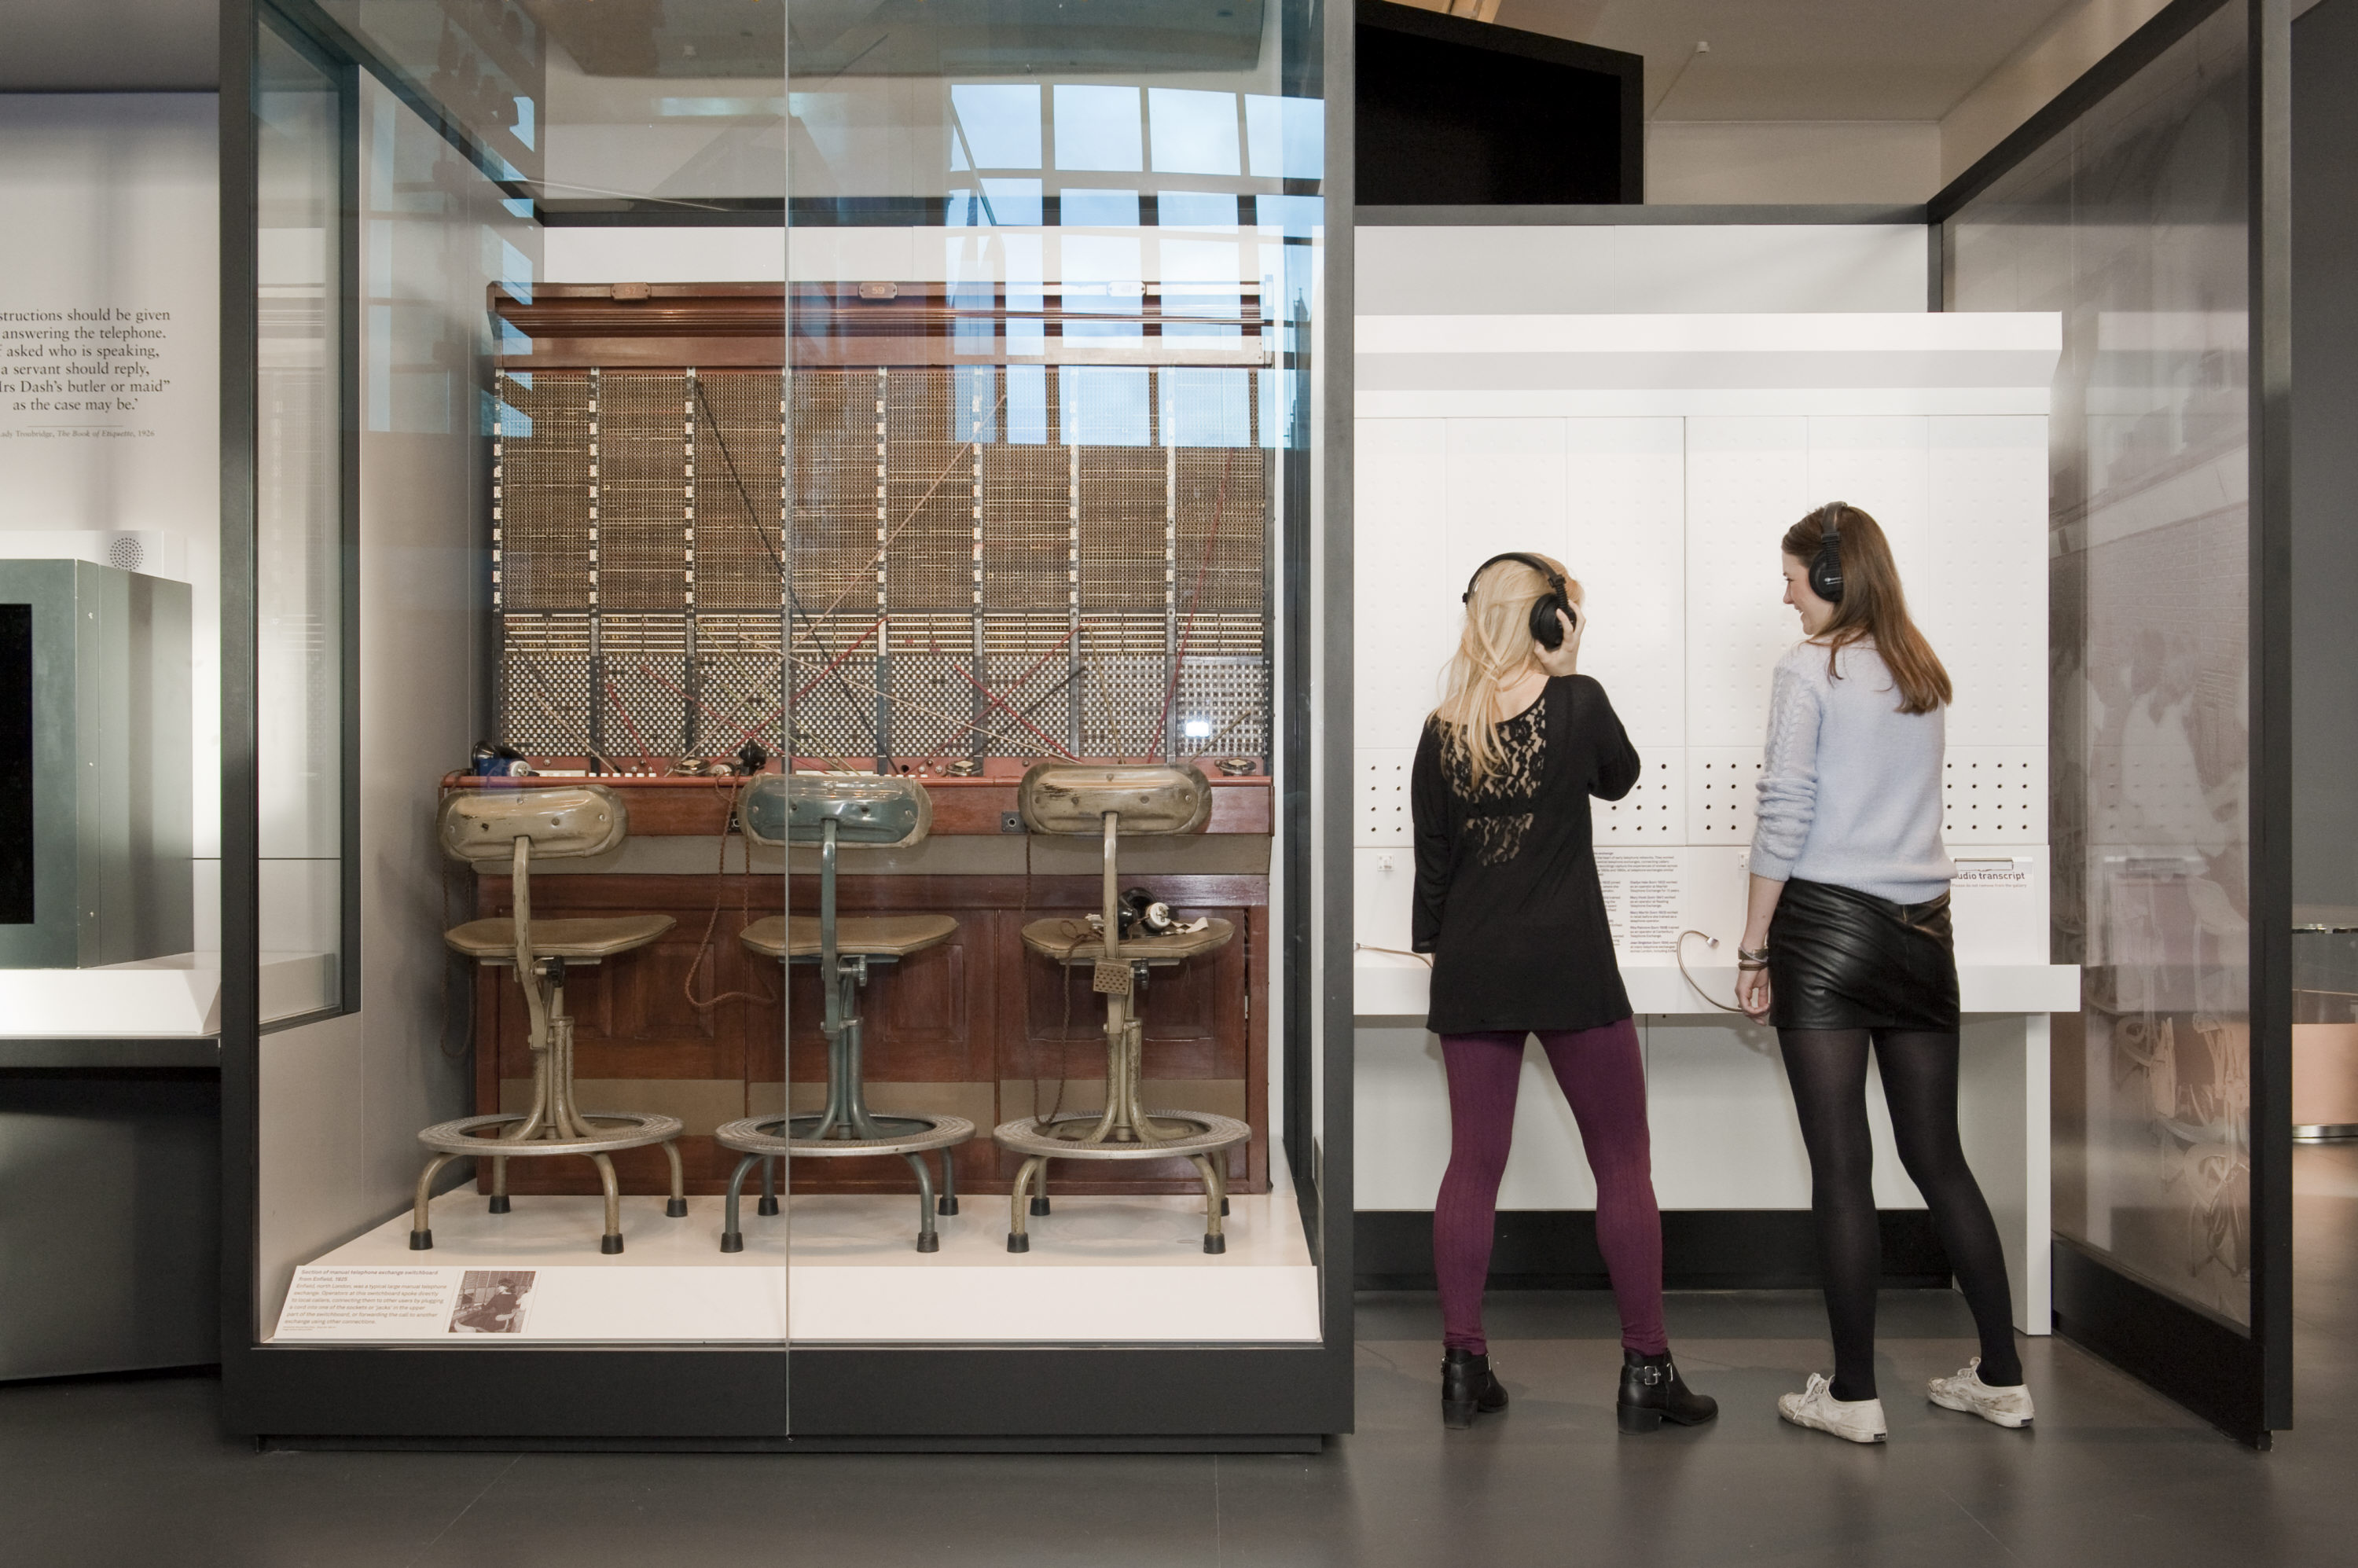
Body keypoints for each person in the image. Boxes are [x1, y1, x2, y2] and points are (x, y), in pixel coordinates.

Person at [1736, 502, 2035, 1444]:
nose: (1788, 598)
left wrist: (1753, 945)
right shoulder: (1920, 672)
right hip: (1924, 934)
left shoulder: (1809, 670)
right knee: (1939, 1156)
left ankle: (1855, 1394)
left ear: (1833, 578)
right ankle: (2003, 1378)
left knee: (1842, 1166)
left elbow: (1786, 811)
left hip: (1828, 929)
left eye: (1794, 580)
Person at [1410, 552, 1716, 1434]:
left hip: (1474, 963)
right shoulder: (1578, 703)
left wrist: (1443, 952)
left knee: (1472, 1165)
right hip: (1570, 961)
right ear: (1548, 620)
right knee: (1622, 1163)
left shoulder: (1441, 729)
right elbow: (1619, 777)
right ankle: (1647, 1369)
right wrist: (1571, 671)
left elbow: (1434, 869)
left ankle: (1463, 1367)